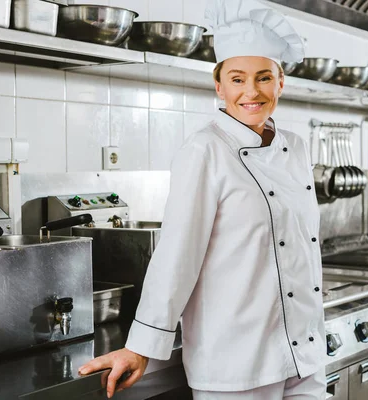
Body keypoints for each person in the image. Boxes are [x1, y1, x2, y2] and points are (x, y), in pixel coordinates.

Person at [78, 0, 326, 398]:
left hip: (305, 352)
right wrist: (141, 345)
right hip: (237, 362)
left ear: (281, 83)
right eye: (237, 78)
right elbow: (178, 254)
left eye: (264, 77)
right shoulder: (205, 151)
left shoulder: (295, 148)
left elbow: (301, 247)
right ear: (219, 85)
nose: (251, 91)